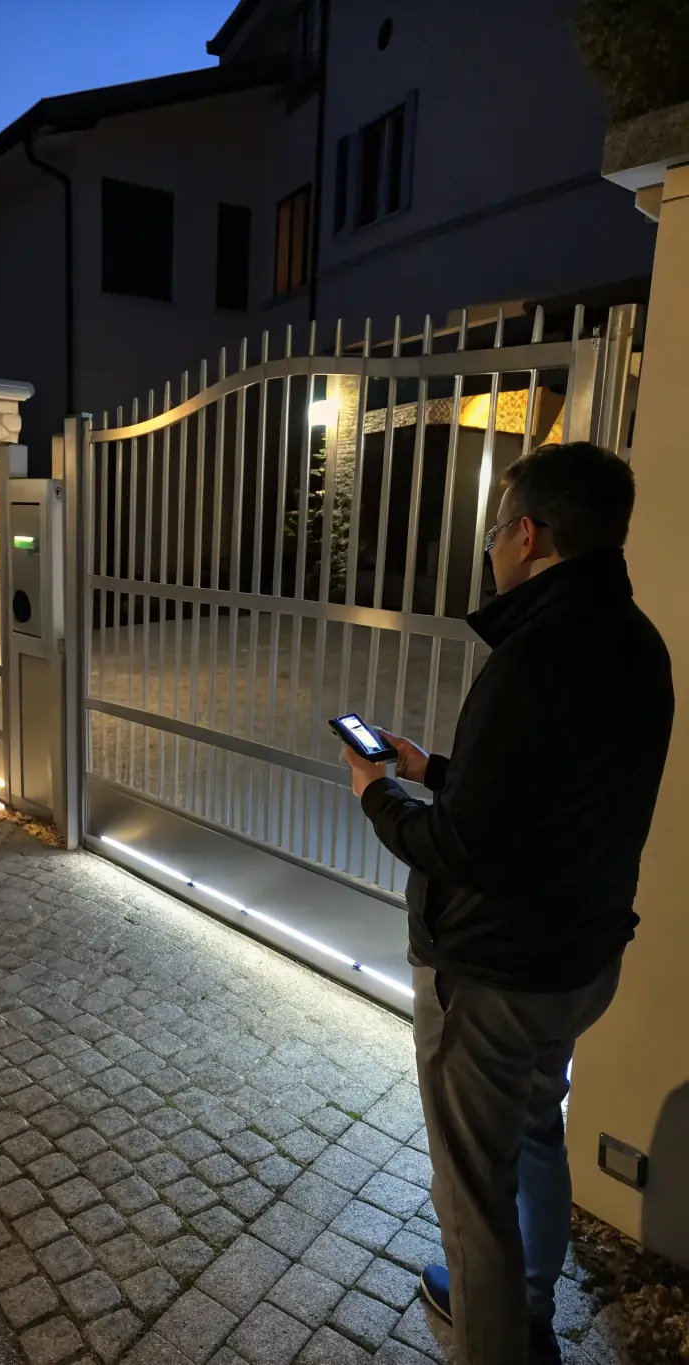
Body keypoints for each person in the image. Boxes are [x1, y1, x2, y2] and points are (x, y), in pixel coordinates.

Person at [340, 442, 673, 1365]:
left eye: (496, 530)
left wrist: (378, 792)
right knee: (535, 1127)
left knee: (470, 1193)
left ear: (528, 534)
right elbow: (549, 796)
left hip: (494, 974)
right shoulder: (637, 642)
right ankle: (526, 1303)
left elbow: (466, 846)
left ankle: (495, 1339)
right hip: (580, 959)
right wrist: (434, 769)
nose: (491, 549)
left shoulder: (535, 654)